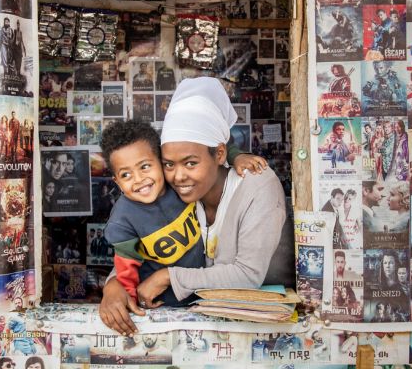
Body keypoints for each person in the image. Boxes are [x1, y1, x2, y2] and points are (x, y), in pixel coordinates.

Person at [98, 77, 290, 334]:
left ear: (220, 154)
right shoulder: (174, 192)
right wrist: (113, 286)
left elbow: (247, 274)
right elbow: (145, 246)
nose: (178, 176)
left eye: (190, 163)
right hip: (195, 324)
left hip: (261, 328)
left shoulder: (257, 186)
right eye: (168, 164)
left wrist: (168, 276)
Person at [98, 119, 263, 306]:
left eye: (144, 167)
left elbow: (214, 149)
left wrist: (236, 157)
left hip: (207, 291)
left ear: (161, 162)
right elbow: (126, 271)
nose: (139, 180)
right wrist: (132, 303)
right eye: (126, 175)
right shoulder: (122, 220)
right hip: (166, 304)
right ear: (117, 182)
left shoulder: (178, 184)